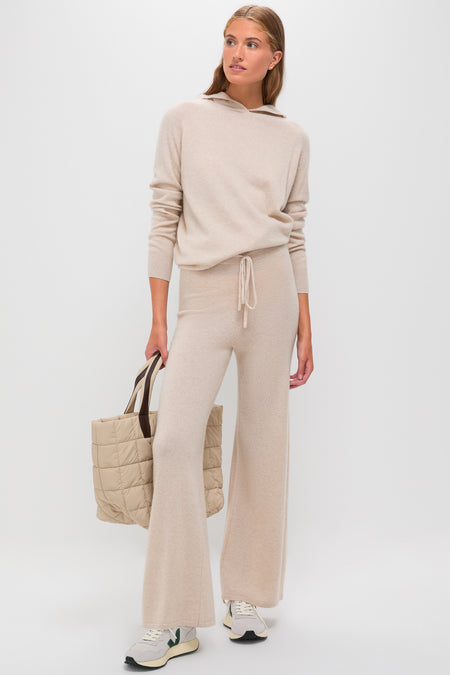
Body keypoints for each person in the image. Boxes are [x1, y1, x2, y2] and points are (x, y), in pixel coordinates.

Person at [124, 4, 314, 669]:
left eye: (252, 43)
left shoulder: (292, 137)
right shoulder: (184, 119)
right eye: (231, 40)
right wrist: (159, 316)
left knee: (263, 443)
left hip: (272, 295)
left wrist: (306, 323)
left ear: (274, 58)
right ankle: (175, 617)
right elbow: (163, 216)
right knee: (175, 441)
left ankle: (246, 596)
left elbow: (295, 233)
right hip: (203, 296)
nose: (237, 52)